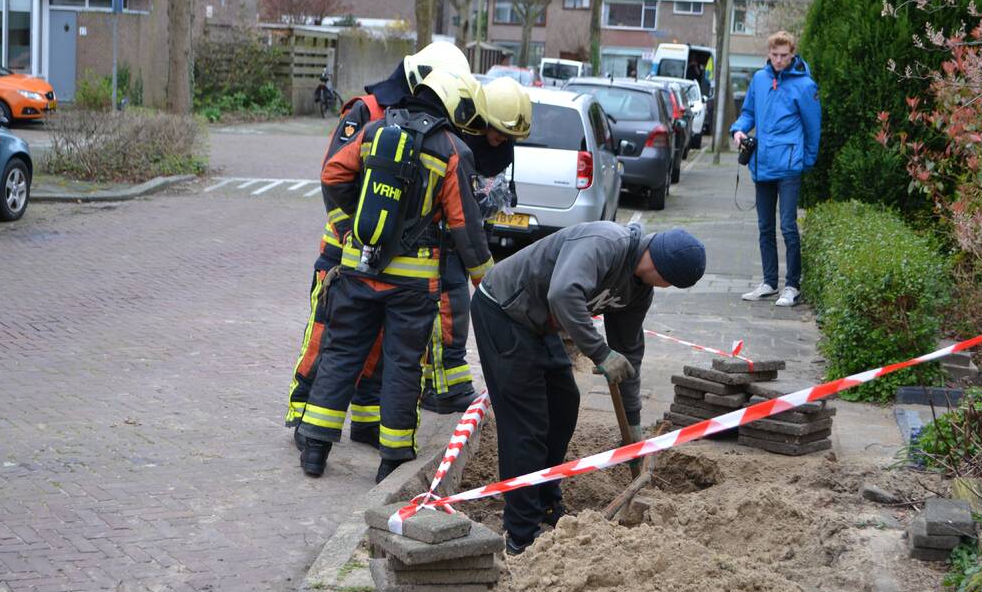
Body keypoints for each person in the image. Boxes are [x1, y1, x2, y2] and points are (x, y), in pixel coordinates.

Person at [301, 69, 495, 483]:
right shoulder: (451, 149)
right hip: (412, 286)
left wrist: (349, 227)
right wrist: (490, 283)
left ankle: (314, 447)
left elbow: (332, 175)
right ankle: (392, 458)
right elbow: (464, 226)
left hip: (358, 269)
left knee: (341, 353)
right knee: (403, 366)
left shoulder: (375, 131)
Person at [471, 222, 706, 554]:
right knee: (526, 425)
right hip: (503, 309)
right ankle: (521, 533)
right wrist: (600, 352)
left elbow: (627, 355)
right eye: (669, 282)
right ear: (662, 270)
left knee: (564, 405)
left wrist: (634, 424)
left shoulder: (638, 291)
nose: (665, 287)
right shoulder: (605, 243)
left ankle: (546, 501)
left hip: (540, 323)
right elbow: (562, 293)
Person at [421, 77, 531, 415]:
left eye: (508, 137)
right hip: (441, 237)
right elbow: (458, 205)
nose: (501, 141)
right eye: (498, 132)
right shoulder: (457, 142)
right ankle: (442, 389)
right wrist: (484, 272)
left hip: (463, 234)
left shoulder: (497, 151)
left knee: (452, 307)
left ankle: (443, 384)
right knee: (448, 306)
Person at [731, 30, 821, 307]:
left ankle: (792, 285)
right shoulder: (759, 79)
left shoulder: (805, 85)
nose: (779, 60)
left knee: (788, 227)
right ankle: (769, 282)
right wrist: (738, 130)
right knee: (765, 226)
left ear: (793, 54)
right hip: (763, 163)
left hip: (789, 165)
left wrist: (806, 161)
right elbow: (748, 112)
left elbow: (813, 127)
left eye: (784, 55)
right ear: (768, 54)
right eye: (775, 55)